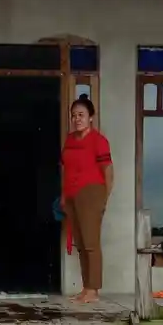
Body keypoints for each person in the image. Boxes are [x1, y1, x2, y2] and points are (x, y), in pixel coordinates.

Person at [60, 94, 112, 303]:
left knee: (91, 243)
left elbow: (108, 171)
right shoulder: (70, 140)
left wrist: (104, 197)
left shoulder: (99, 140)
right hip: (72, 193)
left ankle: (94, 290)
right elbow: (65, 169)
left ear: (91, 117)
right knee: (81, 243)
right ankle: (85, 288)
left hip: (91, 192)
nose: (77, 119)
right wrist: (64, 196)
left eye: (81, 115)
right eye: (74, 116)